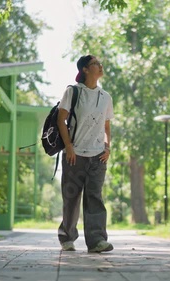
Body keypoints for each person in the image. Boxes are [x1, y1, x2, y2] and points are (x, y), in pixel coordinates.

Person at [56, 55, 114, 253]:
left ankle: (97, 241)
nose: (100, 65)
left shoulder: (105, 97)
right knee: (71, 198)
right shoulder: (73, 92)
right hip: (75, 155)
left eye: (100, 62)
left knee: (94, 198)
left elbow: (107, 126)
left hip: (98, 156)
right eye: (96, 63)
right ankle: (67, 237)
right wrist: (69, 147)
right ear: (86, 69)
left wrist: (108, 147)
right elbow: (61, 120)